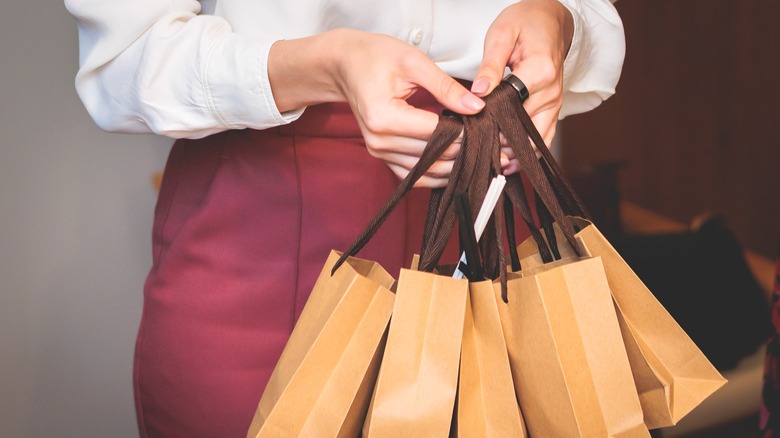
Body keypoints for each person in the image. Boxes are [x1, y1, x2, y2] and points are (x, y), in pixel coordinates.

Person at [64, 0, 625, 436]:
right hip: (268, 226)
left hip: (491, 199)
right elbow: (123, 59)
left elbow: (591, 12)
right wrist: (325, 66)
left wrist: (558, 20)